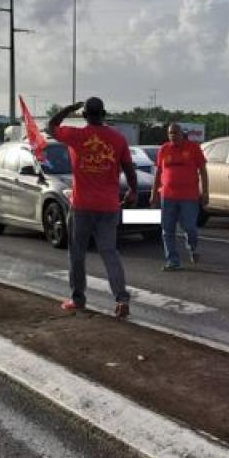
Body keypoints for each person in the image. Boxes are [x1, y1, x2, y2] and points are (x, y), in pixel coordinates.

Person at [48, 97, 138, 318]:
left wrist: (69, 109)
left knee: (77, 254)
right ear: (104, 114)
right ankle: (121, 298)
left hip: (82, 206)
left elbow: (50, 127)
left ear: (85, 116)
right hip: (108, 206)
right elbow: (129, 168)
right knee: (110, 253)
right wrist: (133, 191)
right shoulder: (118, 138)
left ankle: (78, 300)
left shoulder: (76, 136)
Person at [150, 122, 208, 271]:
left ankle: (192, 247)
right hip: (167, 196)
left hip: (189, 196)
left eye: (175, 133)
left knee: (190, 227)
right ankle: (172, 260)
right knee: (167, 229)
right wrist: (153, 194)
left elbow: (202, 170)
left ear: (182, 133)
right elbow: (158, 173)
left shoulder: (193, 148)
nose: (173, 136)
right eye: (170, 133)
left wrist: (205, 191)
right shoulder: (164, 149)